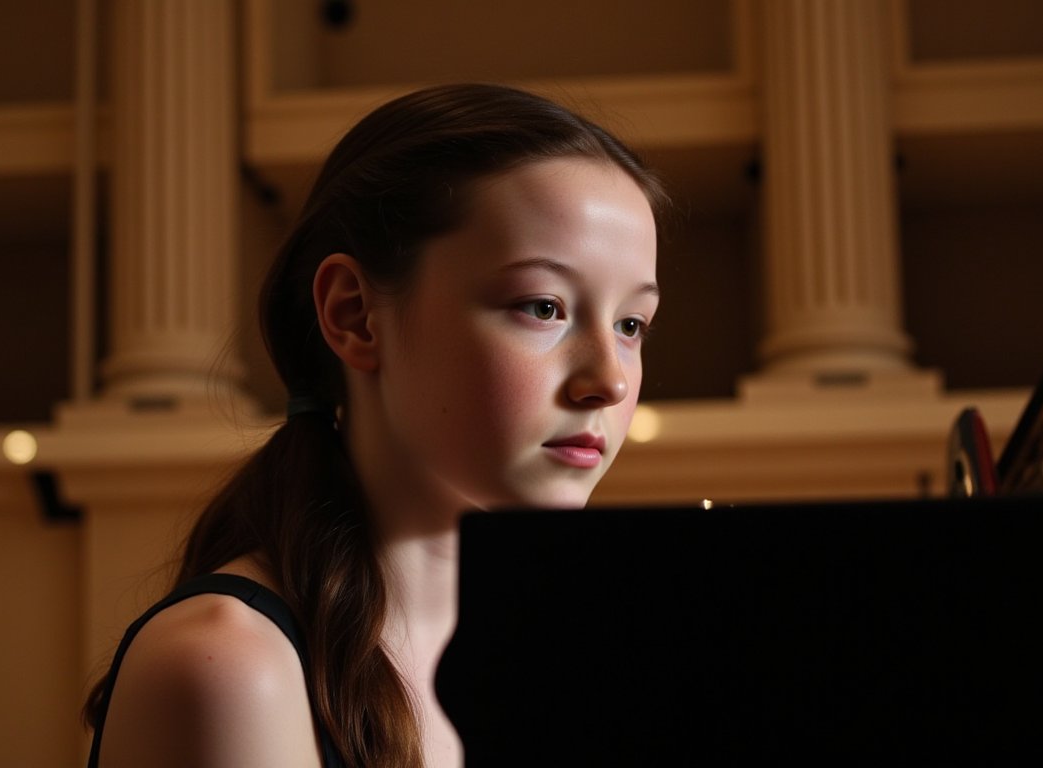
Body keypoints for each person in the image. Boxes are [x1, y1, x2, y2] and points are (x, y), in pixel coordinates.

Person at [83, 82, 669, 768]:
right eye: (542, 307)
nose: (611, 381)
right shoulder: (231, 669)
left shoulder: (566, 653)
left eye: (631, 324)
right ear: (353, 314)